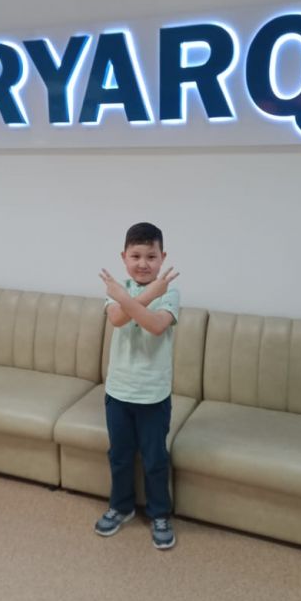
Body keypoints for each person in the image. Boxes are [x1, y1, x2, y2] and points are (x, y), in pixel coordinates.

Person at [95, 221, 180, 549]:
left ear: (162, 257)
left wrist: (135, 296)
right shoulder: (117, 290)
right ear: (124, 257)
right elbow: (118, 319)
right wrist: (136, 295)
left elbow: (156, 326)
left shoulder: (169, 292)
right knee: (119, 455)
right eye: (136, 256)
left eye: (151, 256)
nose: (143, 263)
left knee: (155, 459)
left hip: (153, 395)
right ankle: (121, 507)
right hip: (118, 392)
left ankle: (160, 513)